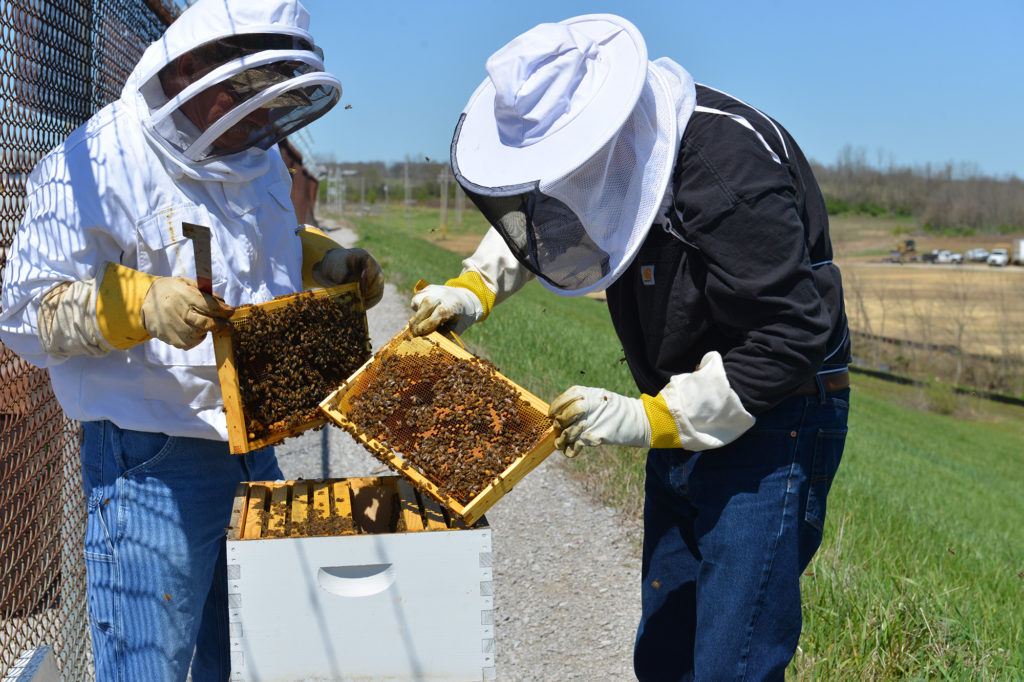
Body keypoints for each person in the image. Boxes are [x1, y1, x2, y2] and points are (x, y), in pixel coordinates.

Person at [410, 13, 850, 681]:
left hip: (773, 419)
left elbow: (789, 335)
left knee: (732, 663)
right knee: (666, 654)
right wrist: (474, 287)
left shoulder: (727, 170)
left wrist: (651, 419)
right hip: (681, 412)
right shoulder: (609, 155)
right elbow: (548, 217)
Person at [0, 0, 383, 679]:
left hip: (252, 445)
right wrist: (139, 305)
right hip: (151, 464)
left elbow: (263, 241)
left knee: (249, 654)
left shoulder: (252, 149)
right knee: (150, 668)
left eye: (275, 102)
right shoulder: (93, 164)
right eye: (250, 100)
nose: (264, 121)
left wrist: (321, 258)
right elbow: (24, 313)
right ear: (190, 72)